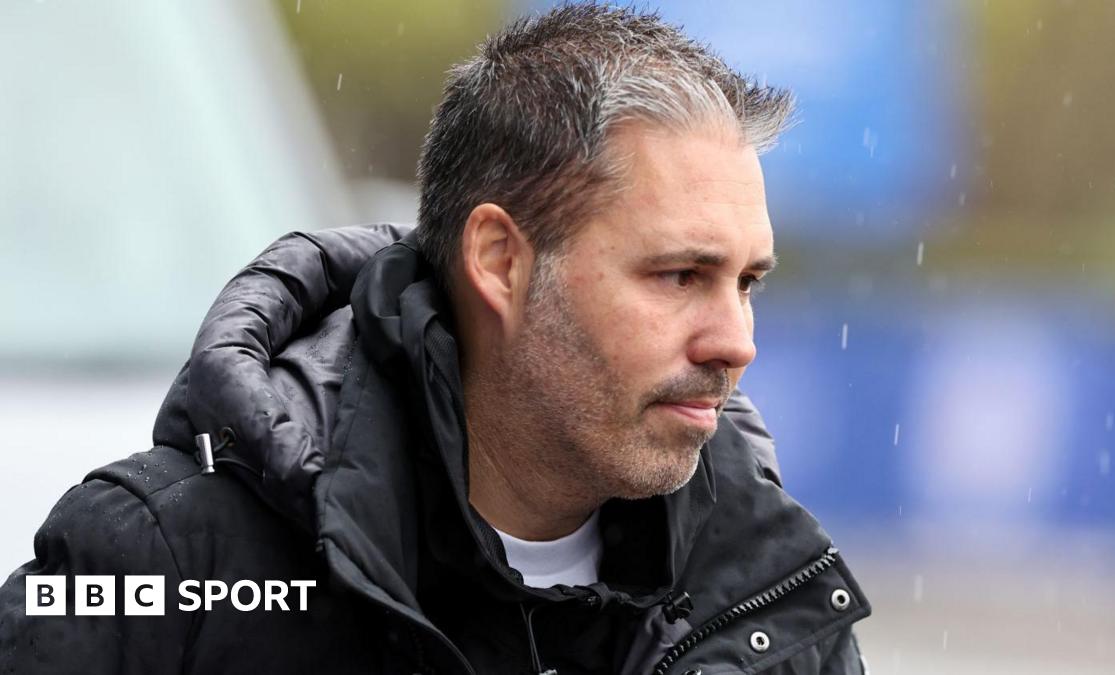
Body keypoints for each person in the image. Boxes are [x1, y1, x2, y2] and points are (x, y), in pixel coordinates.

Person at [0, 5, 870, 673]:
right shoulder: (161, 559)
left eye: (747, 282)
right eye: (680, 275)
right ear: (499, 260)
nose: (735, 341)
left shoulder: (768, 592)